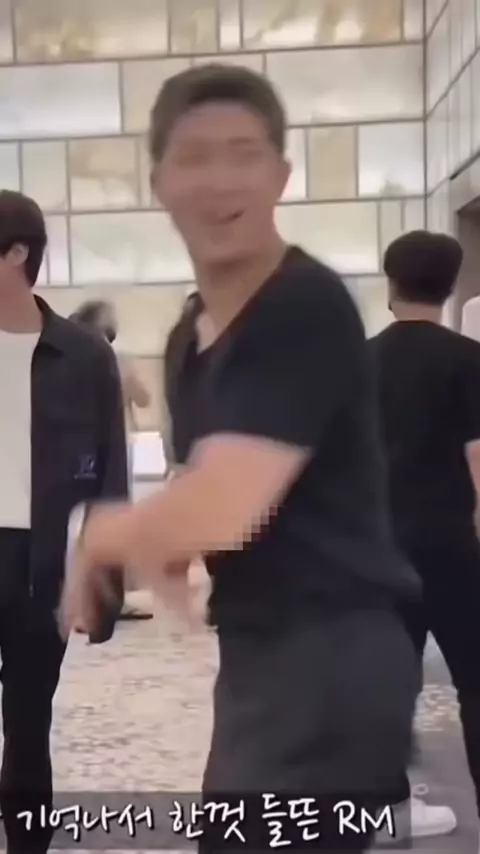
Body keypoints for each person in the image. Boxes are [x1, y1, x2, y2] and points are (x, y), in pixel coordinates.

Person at [61, 64, 420, 852]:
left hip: (333, 657)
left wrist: (103, 536)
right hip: (261, 658)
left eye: (244, 153)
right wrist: (164, 549)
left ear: (281, 176)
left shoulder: (303, 305)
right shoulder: (190, 336)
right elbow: (209, 490)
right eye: (195, 156)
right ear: (159, 182)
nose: (220, 180)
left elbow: (225, 505)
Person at [0, 190, 128, 854]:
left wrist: (104, 583)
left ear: (17, 254)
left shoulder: (83, 356)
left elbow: (111, 477)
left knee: (27, 726)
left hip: (41, 565)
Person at [371, 230, 480, 846]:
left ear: (391, 285)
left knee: (387, 689)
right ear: (450, 287)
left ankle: (392, 812)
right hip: (455, 546)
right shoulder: (470, 360)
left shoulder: (358, 364)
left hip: (380, 551)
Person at [69, 300, 153, 622]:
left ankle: (92, 599)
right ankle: (103, 602)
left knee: (89, 521)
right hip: (112, 450)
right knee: (110, 519)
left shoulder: (67, 355)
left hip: (78, 449)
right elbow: (143, 399)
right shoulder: (111, 356)